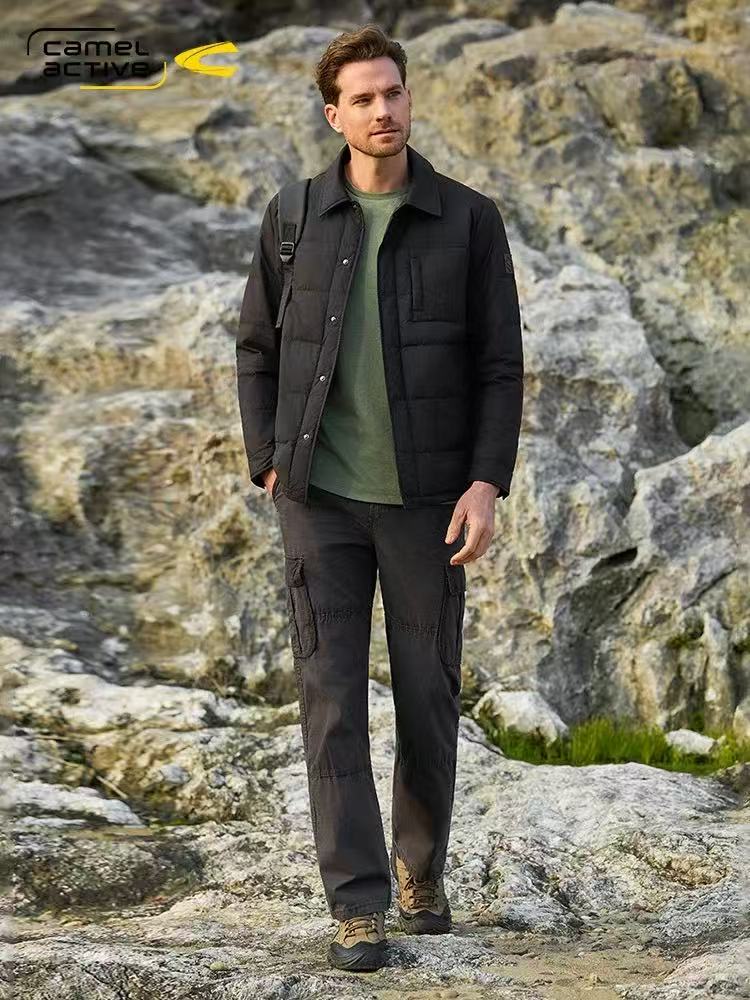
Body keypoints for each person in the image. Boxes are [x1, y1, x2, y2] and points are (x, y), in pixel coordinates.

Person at [236, 22, 523, 972]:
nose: (382, 110)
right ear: (335, 115)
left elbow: (500, 365)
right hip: (318, 499)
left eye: (392, 92)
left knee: (429, 692)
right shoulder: (292, 217)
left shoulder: (468, 220)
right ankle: (356, 904)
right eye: (361, 98)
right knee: (331, 701)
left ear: (409, 97)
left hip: (428, 502)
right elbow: (256, 348)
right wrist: (269, 460)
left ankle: (419, 871)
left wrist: (485, 482)